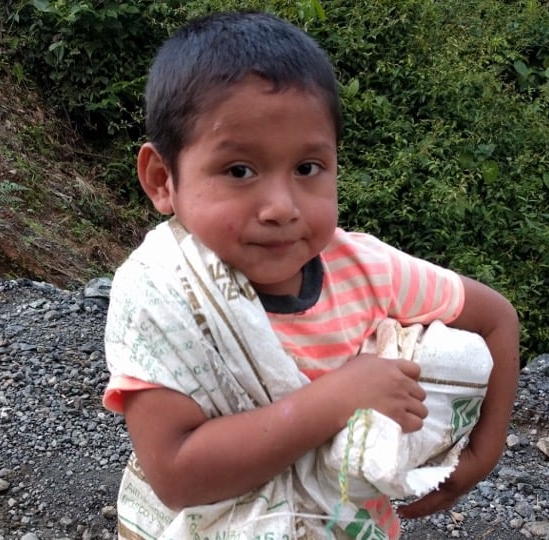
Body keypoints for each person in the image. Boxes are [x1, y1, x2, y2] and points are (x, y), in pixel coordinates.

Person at [102, 10, 520, 539]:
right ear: (163, 179)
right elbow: (178, 476)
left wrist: (482, 453)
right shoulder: (165, 295)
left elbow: (497, 319)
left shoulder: (369, 271)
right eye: (239, 171)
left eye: (307, 169)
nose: (281, 207)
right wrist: (339, 397)